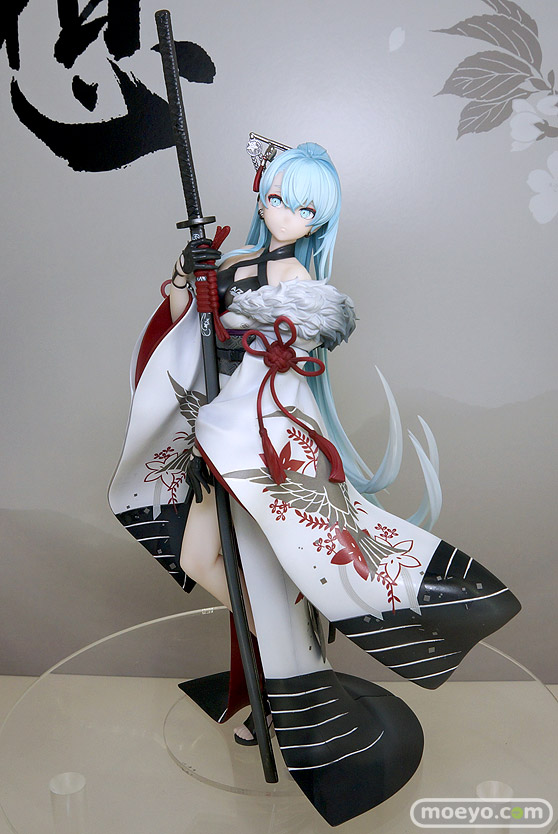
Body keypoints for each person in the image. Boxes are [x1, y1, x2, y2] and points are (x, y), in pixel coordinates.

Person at [109, 142, 520, 826]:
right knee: (202, 557)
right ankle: (272, 647)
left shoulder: (301, 280)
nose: (285, 215)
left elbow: (282, 365)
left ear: (318, 221)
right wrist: (189, 276)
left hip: (253, 440)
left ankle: (277, 680)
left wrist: (234, 328)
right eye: (276, 199)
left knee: (271, 572)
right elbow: (178, 323)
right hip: (211, 430)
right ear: (261, 195)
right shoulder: (232, 259)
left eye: (304, 209)